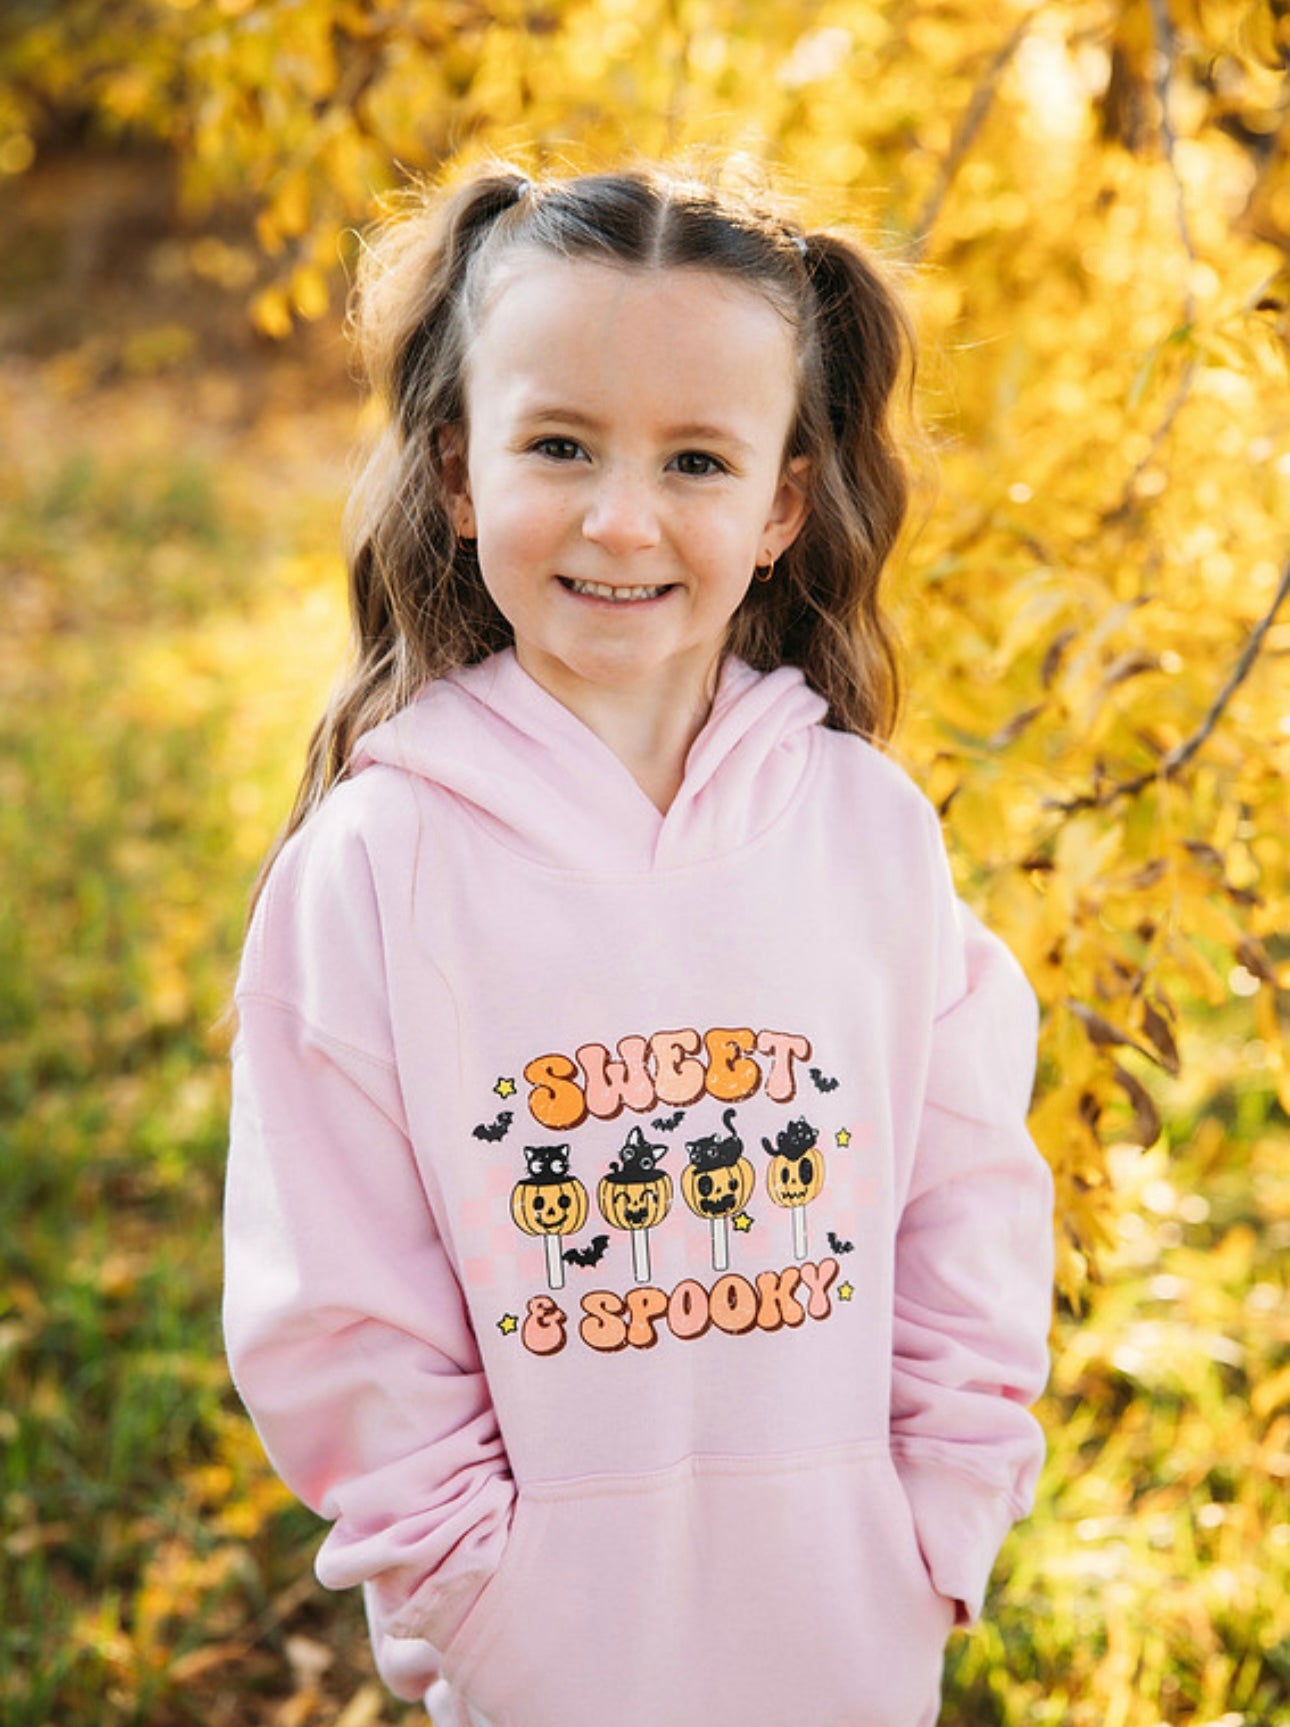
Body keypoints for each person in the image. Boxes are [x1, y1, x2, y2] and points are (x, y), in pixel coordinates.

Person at [223, 160, 1054, 1727]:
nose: (620, 518)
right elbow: (339, 1311)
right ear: (459, 474)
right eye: (558, 445)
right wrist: (481, 1598)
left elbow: (969, 1204)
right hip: (540, 1665)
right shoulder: (378, 868)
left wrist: (941, 1514)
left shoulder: (866, 833)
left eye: (693, 459)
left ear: (779, 506)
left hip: (852, 1640)